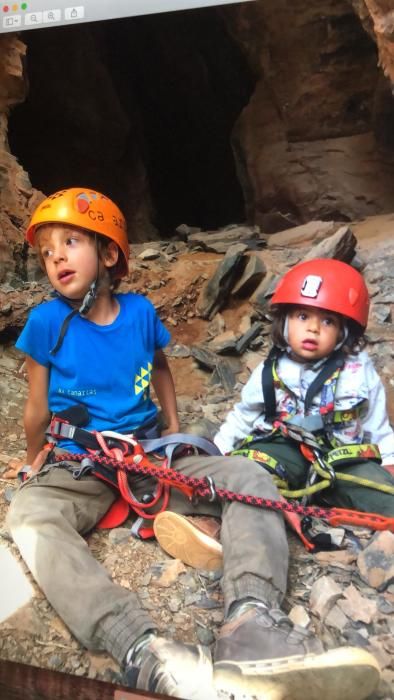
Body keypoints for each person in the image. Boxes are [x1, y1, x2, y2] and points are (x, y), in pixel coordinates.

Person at [6, 192, 381, 700]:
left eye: (70, 242)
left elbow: (160, 367)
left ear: (110, 254)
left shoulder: (138, 313)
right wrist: (34, 463)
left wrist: (174, 431)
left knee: (246, 475)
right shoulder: (46, 323)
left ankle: (252, 619)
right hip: (79, 460)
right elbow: (36, 407)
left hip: (145, 454)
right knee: (29, 516)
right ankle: (141, 649)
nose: (56, 258)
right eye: (47, 251)